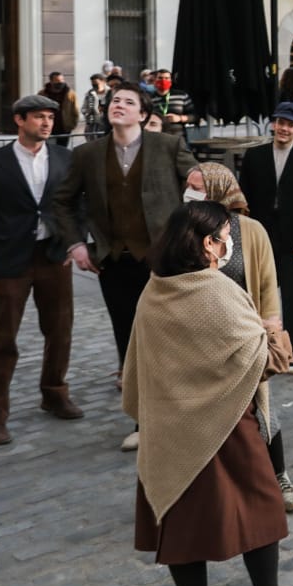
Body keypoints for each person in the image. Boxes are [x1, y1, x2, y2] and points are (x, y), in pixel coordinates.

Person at [123, 201, 288, 586]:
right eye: (225, 238)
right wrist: (276, 337)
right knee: (260, 513)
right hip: (230, 424)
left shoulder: (152, 291)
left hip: (169, 429)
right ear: (207, 244)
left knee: (182, 524)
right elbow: (266, 361)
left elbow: (138, 368)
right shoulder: (218, 291)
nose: (228, 246)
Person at [53, 81, 197, 451]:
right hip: (114, 262)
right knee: (130, 342)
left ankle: (185, 414)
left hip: (162, 260)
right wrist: (76, 244)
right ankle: (144, 422)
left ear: (143, 114)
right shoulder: (87, 154)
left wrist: (190, 239)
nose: (118, 105)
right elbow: (63, 201)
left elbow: (199, 186)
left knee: (169, 338)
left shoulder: (167, 146)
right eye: (114, 100)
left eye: (128, 102)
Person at [186, 162, 293, 514]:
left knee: (260, 408)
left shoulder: (250, 231)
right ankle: (220, 484)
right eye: (187, 186)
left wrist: (272, 330)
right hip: (201, 339)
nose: (188, 193)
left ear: (218, 190)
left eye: (197, 187)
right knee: (210, 415)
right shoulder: (183, 231)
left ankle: (279, 475)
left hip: (244, 336)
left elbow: (267, 284)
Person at [0, 94, 79, 446]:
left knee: (60, 330)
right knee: (3, 338)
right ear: (19, 120)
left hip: (53, 256)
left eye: (50, 117)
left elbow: (77, 206)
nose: (46, 123)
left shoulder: (65, 158)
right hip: (10, 259)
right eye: (38, 117)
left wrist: (75, 243)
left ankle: (54, 393)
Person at [238, 102, 293, 374]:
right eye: (281, 123)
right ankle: (256, 349)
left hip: (292, 239)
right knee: (255, 294)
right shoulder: (254, 156)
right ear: (273, 124)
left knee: (292, 297)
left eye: (291, 125)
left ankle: (292, 352)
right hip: (259, 237)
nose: (284, 129)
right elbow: (243, 198)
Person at [38, 70, 79, 145]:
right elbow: (38, 109)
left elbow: (75, 110)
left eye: (62, 80)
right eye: (57, 81)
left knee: (62, 148)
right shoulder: (43, 94)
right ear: (51, 81)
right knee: (48, 147)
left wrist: (72, 124)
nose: (61, 82)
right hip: (47, 126)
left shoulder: (70, 93)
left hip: (64, 127)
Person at [151, 69, 194, 135]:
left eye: (166, 78)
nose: (163, 81)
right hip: (156, 137)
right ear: (155, 80)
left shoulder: (181, 95)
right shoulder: (149, 98)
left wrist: (180, 118)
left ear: (171, 80)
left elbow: (195, 116)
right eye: (160, 78)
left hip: (178, 136)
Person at [81, 72, 111, 136]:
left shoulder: (110, 93)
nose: (95, 86)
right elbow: (83, 108)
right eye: (93, 85)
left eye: (97, 84)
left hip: (106, 125)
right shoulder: (90, 94)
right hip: (92, 125)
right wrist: (87, 113)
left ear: (103, 82)